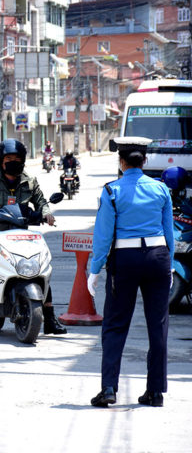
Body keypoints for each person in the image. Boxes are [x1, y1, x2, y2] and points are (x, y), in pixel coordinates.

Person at [87, 136, 173, 408]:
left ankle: (109, 389)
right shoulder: (161, 189)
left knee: (115, 324)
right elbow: (168, 232)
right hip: (158, 257)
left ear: (121, 162)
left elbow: (103, 236)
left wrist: (94, 269)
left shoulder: (112, 191)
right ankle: (155, 392)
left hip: (124, 260)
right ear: (144, 161)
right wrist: (169, 263)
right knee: (158, 325)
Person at [0, 139, 67, 336]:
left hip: (21, 236)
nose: (13, 162)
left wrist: (47, 214)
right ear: (1, 161)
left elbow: (41, 201)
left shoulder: (29, 180)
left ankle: (50, 319)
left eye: (17, 158)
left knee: (40, 269)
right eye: (9, 158)